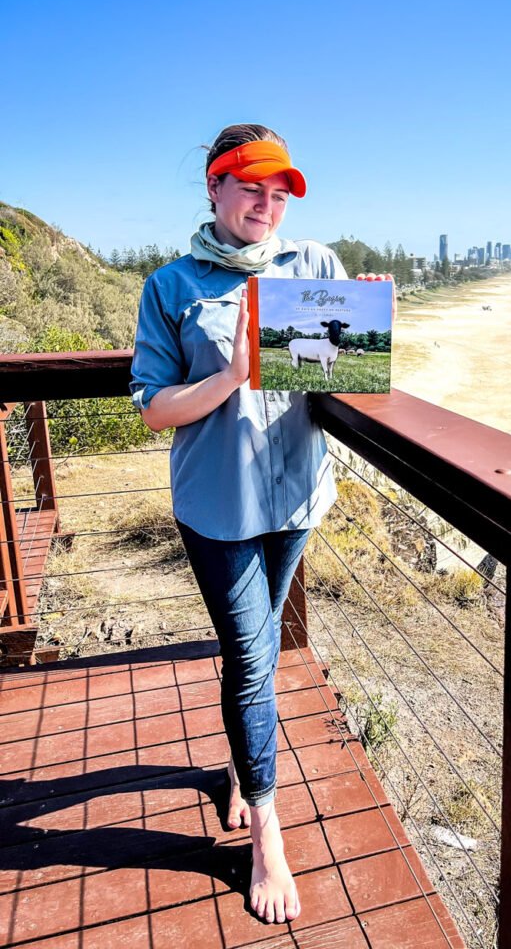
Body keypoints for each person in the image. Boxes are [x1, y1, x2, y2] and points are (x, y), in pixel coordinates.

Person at [129, 123, 393, 925]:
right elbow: (152, 408)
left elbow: (344, 384)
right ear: (214, 188)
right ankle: (267, 837)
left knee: (259, 644)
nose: (266, 206)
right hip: (218, 506)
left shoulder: (312, 266)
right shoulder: (172, 286)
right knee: (252, 655)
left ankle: (244, 768)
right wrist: (235, 375)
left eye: (279, 194)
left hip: (298, 495)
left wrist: (369, 325)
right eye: (251, 188)